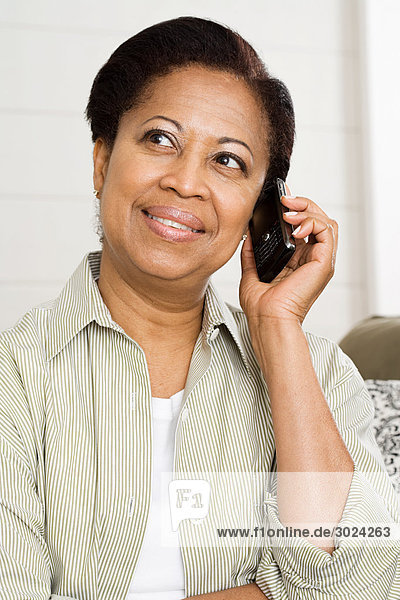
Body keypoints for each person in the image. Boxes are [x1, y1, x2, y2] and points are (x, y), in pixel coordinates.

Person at [0, 15, 399, 600]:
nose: (186, 183)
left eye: (228, 161)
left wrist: (277, 329)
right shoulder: (15, 372)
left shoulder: (322, 376)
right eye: (160, 139)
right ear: (101, 162)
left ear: (263, 210)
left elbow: (365, 583)